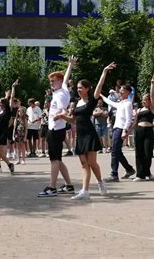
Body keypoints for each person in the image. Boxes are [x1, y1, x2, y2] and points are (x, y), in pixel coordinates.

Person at [58, 62, 115, 199]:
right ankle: (85, 191)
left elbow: (100, 86)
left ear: (87, 88)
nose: (78, 90)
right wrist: (62, 116)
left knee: (92, 163)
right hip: (80, 135)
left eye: (81, 88)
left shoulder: (92, 100)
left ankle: (100, 182)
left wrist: (104, 71)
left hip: (90, 134)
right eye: (77, 88)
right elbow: (74, 120)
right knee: (84, 163)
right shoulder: (77, 102)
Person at [38, 57, 76, 197]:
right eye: (50, 81)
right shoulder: (64, 88)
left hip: (55, 130)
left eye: (53, 81)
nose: (51, 83)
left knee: (54, 160)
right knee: (58, 160)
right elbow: (65, 78)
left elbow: (63, 110)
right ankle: (69, 185)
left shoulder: (60, 95)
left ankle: (52, 188)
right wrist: (70, 66)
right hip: (56, 130)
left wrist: (59, 115)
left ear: (58, 81)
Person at [101, 84, 136, 182]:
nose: (120, 92)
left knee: (114, 151)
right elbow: (110, 102)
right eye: (120, 90)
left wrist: (125, 130)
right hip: (116, 128)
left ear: (128, 92)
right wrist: (101, 95)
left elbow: (129, 119)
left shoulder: (128, 103)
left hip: (121, 129)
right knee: (117, 151)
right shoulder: (121, 103)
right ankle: (129, 169)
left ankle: (114, 174)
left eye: (123, 90)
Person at [133, 74, 154, 181]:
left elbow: (152, 96)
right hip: (138, 131)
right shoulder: (138, 110)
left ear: (149, 101)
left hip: (148, 130)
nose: (143, 101)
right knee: (139, 152)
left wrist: (152, 83)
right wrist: (127, 132)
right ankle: (140, 175)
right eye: (142, 99)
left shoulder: (152, 108)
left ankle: (148, 172)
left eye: (145, 99)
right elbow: (134, 123)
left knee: (148, 153)